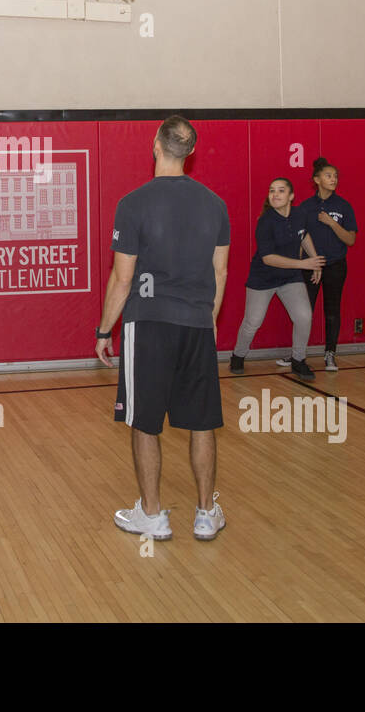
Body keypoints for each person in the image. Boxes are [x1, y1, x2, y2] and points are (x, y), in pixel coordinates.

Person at [95, 116, 230, 542]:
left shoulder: (132, 203)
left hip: (148, 326)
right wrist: (207, 321)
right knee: (202, 422)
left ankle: (153, 516)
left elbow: (122, 279)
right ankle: (206, 513)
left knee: (145, 422)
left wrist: (104, 330)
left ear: (156, 144)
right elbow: (221, 271)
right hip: (196, 324)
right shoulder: (215, 204)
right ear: (190, 151)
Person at [228, 178, 325, 381]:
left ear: (291, 196)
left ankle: (298, 360)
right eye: (272, 190)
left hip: (290, 278)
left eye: (281, 191)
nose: (275, 194)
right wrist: (303, 264)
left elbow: (303, 235)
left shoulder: (300, 214)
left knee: (304, 316)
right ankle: (238, 355)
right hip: (263, 278)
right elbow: (268, 258)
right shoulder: (265, 222)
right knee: (252, 322)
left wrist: (314, 261)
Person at [295, 157, 358, 372]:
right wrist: (305, 263)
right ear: (317, 179)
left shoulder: (343, 206)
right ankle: (298, 354)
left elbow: (350, 240)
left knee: (332, 310)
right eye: (328, 175)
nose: (333, 179)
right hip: (312, 266)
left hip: (335, 266)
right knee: (304, 311)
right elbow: (300, 238)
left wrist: (332, 223)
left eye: (336, 176)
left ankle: (330, 353)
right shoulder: (305, 207)